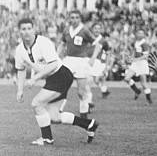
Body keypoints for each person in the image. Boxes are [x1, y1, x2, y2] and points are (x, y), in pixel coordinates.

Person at [14, 17, 99, 145]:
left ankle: (47, 138)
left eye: (29, 28)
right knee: (54, 117)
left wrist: (35, 78)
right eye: (23, 29)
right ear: (19, 31)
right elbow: (20, 70)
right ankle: (89, 124)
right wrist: (20, 90)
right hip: (53, 78)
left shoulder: (43, 42)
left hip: (61, 75)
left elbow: (53, 65)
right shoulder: (20, 50)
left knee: (36, 103)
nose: (26, 31)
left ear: (34, 29)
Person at [60, 10, 95, 117]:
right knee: (62, 87)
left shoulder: (84, 30)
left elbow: (96, 44)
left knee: (81, 92)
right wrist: (58, 55)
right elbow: (62, 44)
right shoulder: (66, 30)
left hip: (81, 61)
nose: (74, 20)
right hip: (68, 60)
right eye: (72, 17)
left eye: (76, 17)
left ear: (80, 19)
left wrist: (93, 58)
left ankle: (84, 114)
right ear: (69, 19)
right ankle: (58, 110)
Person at [124, 29, 153, 103]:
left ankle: (149, 100)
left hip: (142, 63)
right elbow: (135, 51)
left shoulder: (144, 44)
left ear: (143, 35)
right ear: (136, 34)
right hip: (136, 64)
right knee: (127, 78)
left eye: (141, 33)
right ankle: (137, 91)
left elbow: (146, 56)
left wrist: (136, 59)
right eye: (138, 33)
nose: (140, 34)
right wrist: (131, 58)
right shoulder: (136, 42)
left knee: (143, 84)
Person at [90, 23, 111, 100]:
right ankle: (104, 90)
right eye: (95, 28)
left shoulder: (103, 41)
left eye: (98, 28)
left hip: (98, 62)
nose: (97, 30)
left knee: (96, 80)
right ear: (92, 29)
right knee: (93, 80)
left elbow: (108, 53)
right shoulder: (89, 38)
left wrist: (106, 65)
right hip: (89, 61)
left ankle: (88, 100)